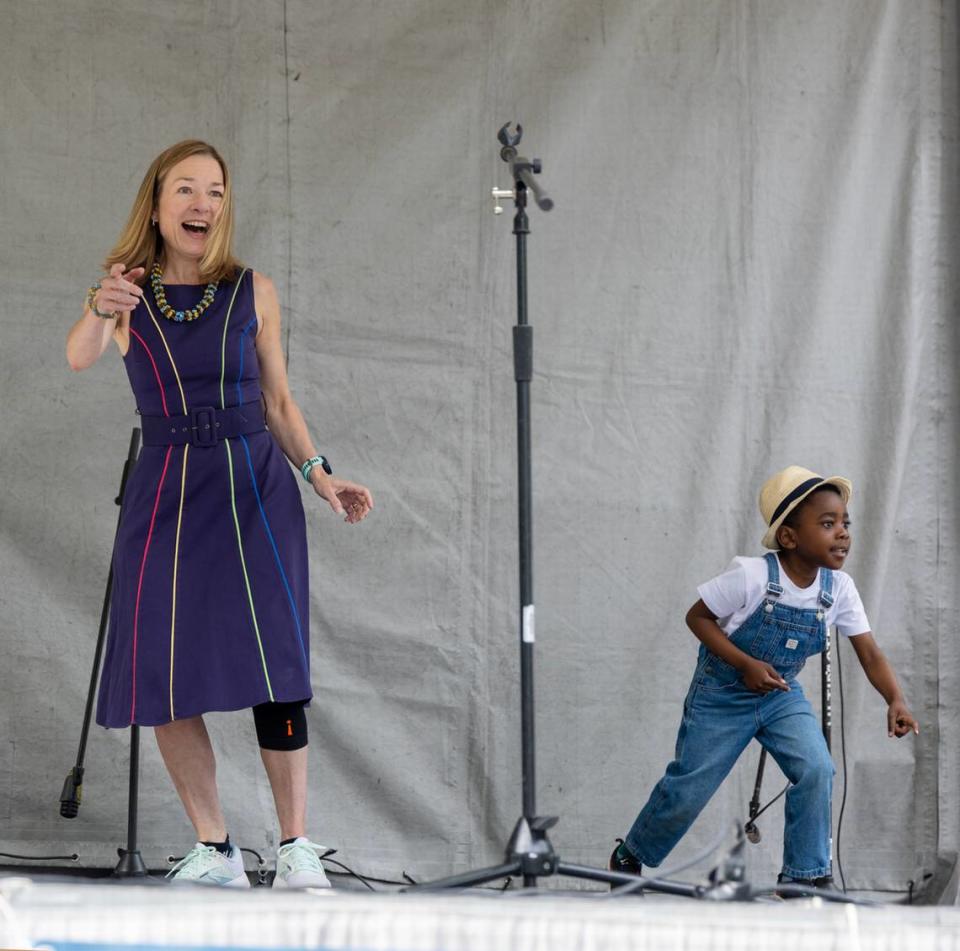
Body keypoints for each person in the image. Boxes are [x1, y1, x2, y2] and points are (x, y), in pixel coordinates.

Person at [66, 139, 373, 888]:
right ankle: (215, 847)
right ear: (158, 201)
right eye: (186, 190)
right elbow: (78, 356)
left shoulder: (252, 289)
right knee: (163, 669)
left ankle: (297, 845)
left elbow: (278, 402)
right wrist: (99, 308)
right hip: (166, 487)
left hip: (253, 483)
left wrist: (320, 476)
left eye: (215, 192)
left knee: (277, 664)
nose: (202, 204)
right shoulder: (124, 292)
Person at [609, 465, 918, 890]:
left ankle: (803, 878)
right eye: (827, 524)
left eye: (845, 522)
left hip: (780, 696)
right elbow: (697, 618)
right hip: (722, 693)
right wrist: (745, 664)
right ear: (789, 537)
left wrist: (895, 699)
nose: (843, 533)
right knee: (691, 785)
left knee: (816, 768)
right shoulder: (752, 576)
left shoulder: (839, 589)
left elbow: (869, 651)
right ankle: (631, 856)